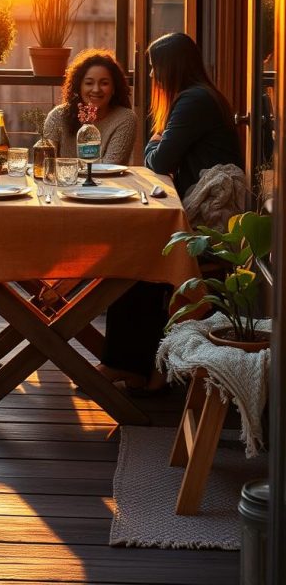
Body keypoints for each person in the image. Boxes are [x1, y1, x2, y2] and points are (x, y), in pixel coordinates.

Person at [97, 32, 244, 393]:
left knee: (135, 262)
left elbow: (159, 161)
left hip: (208, 229)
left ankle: (129, 366)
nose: (152, 76)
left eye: (153, 68)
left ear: (170, 67)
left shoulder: (193, 101)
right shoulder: (202, 97)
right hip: (202, 216)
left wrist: (153, 142)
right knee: (135, 256)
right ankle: (131, 364)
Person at [43, 49, 137, 164]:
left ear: (114, 88)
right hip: (64, 182)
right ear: (79, 86)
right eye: (89, 83)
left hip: (108, 182)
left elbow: (111, 167)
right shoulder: (57, 116)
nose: (96, 89)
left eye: (104, 83)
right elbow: (45, 163)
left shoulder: (125, 118)